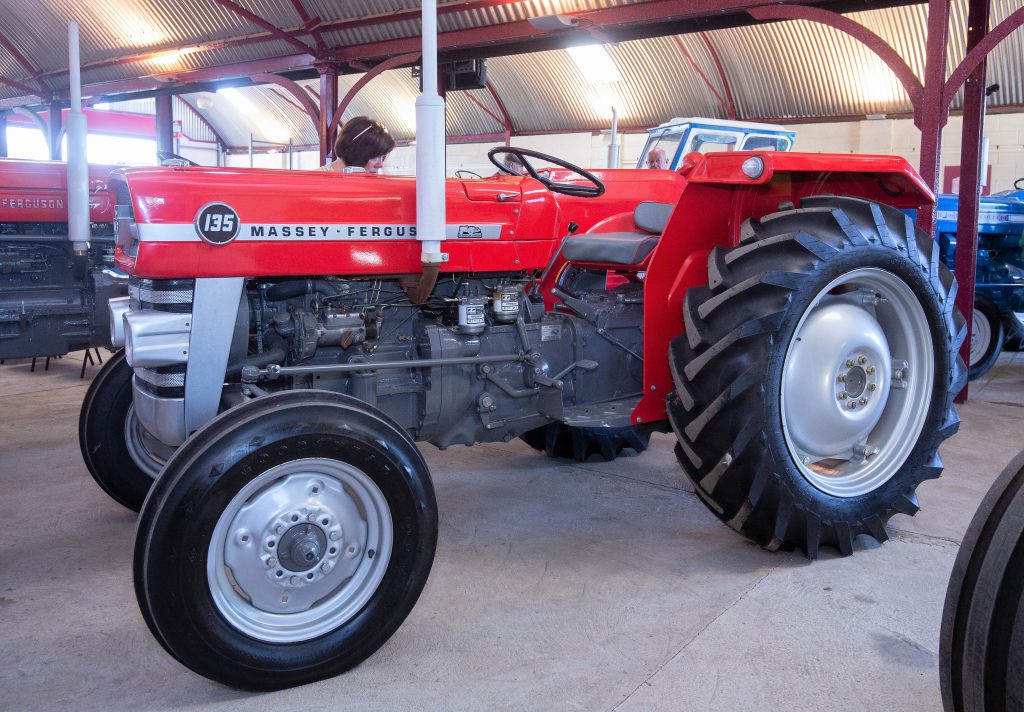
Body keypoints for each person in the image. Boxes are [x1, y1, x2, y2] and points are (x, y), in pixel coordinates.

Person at [319, 116, 395, 174]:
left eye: (383, 157)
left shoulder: (371, 184)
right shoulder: (317, 181)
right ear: (354, 152)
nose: (380, 165)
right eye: (374, 157)